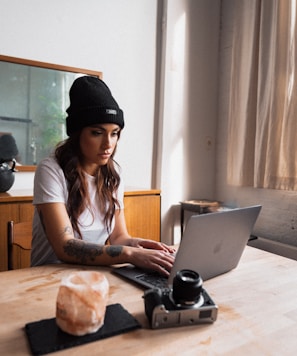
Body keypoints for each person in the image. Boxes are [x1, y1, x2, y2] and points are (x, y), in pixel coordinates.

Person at [31, 76, 175, 276]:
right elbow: (65, 246)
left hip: (93, 276)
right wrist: (129, 254)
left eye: (114, 133)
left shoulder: (113, 176)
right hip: (47, 279)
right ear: (77, 133)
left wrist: (142, 247)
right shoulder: (50, 170)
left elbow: (119, 238)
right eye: (97, 133)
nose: (108, 143)